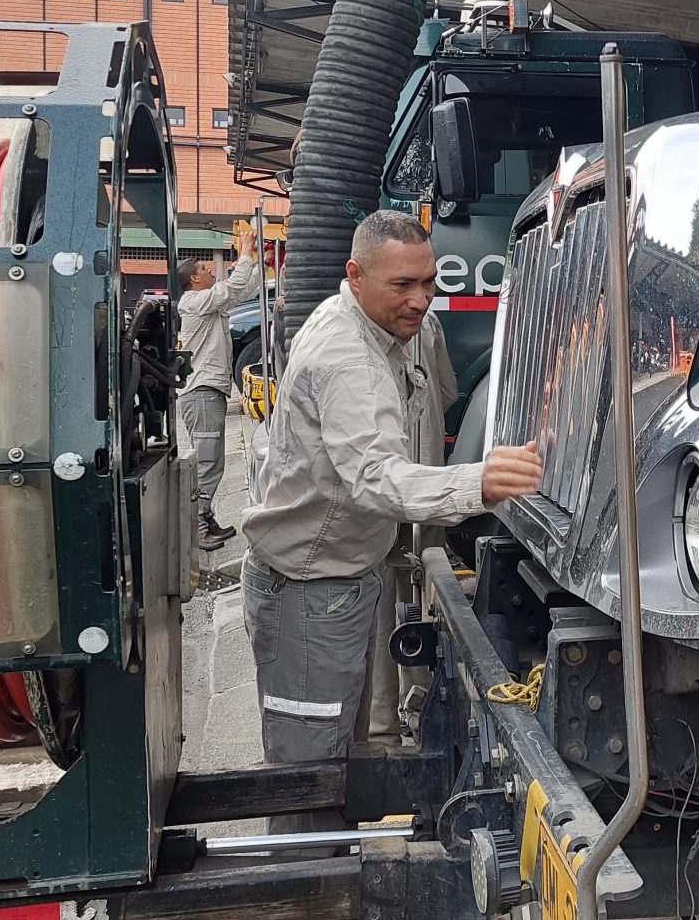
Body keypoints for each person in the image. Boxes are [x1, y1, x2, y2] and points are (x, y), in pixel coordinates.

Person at [242, 210, 541, 833]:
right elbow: (375, 476)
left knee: (336, 764)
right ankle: (304, 887)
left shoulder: (384, 329)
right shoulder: (347, 357)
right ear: (354, 275)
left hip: (337, 582)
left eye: (429, 282)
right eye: (402, 285)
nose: (421, 299)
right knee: (308, 782)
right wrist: (477, 482)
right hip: (308, 591)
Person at [176, 223, 264, 550]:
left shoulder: (206, 303)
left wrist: (253, 259)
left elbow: (242, 288)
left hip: (205, 391)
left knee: (212, 460)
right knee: (209, 462)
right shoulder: (193, 302)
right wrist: (244, 252)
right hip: (201, 392)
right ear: (193, 280)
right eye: (202, 268)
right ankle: (197, 525)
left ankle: (205, 517)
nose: (209, 270)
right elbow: (234, 284)